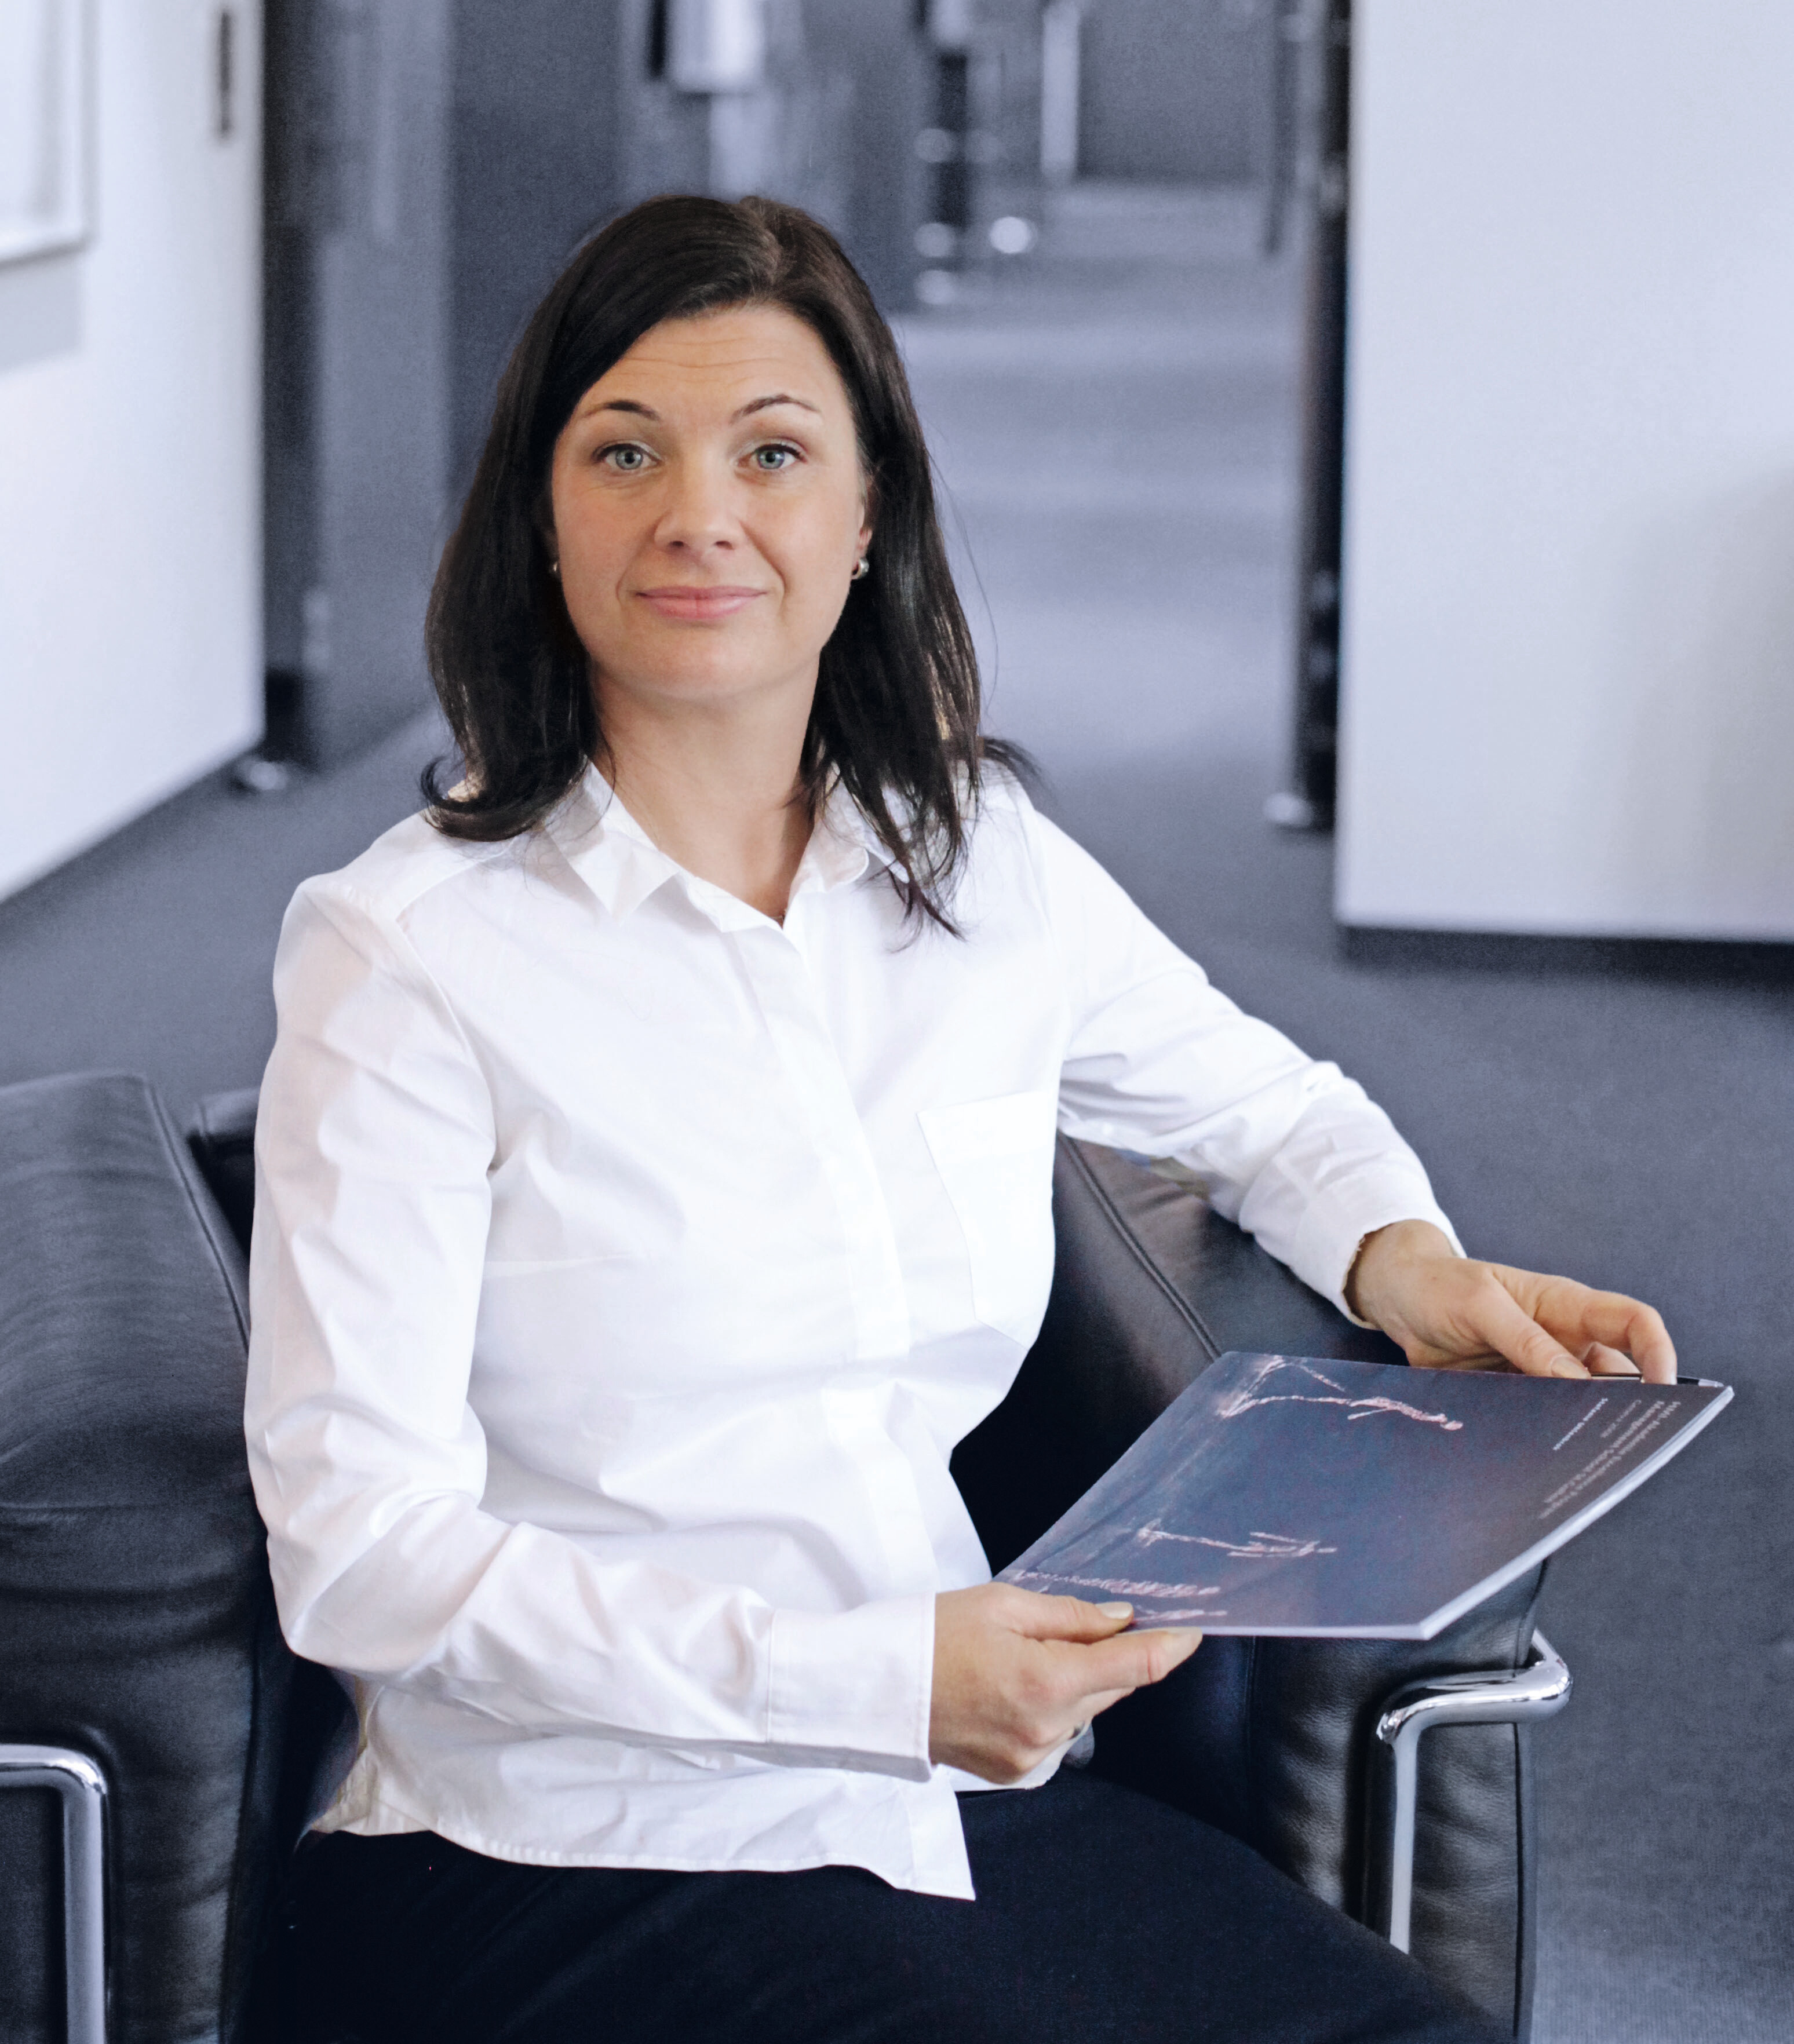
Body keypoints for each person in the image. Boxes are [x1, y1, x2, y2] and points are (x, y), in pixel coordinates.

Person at [246, 195, 1673, 2043]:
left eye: (774, 453)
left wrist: (1406, 1258)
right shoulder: (407, 954)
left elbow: (1267, 1105)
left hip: (957, 1804)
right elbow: (360, 1548)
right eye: (625, 451)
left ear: (866, 521)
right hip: (564, 1835)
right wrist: (868, 1680)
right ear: (543, 514)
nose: (700, 514)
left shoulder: (978, 866)